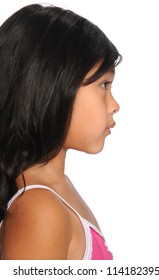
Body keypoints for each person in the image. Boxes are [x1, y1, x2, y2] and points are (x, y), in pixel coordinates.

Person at [0, 4, 122, 260]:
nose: (115, 105)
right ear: (52, 86)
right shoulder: (40, 209)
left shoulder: (57, 189)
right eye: (104, 84)